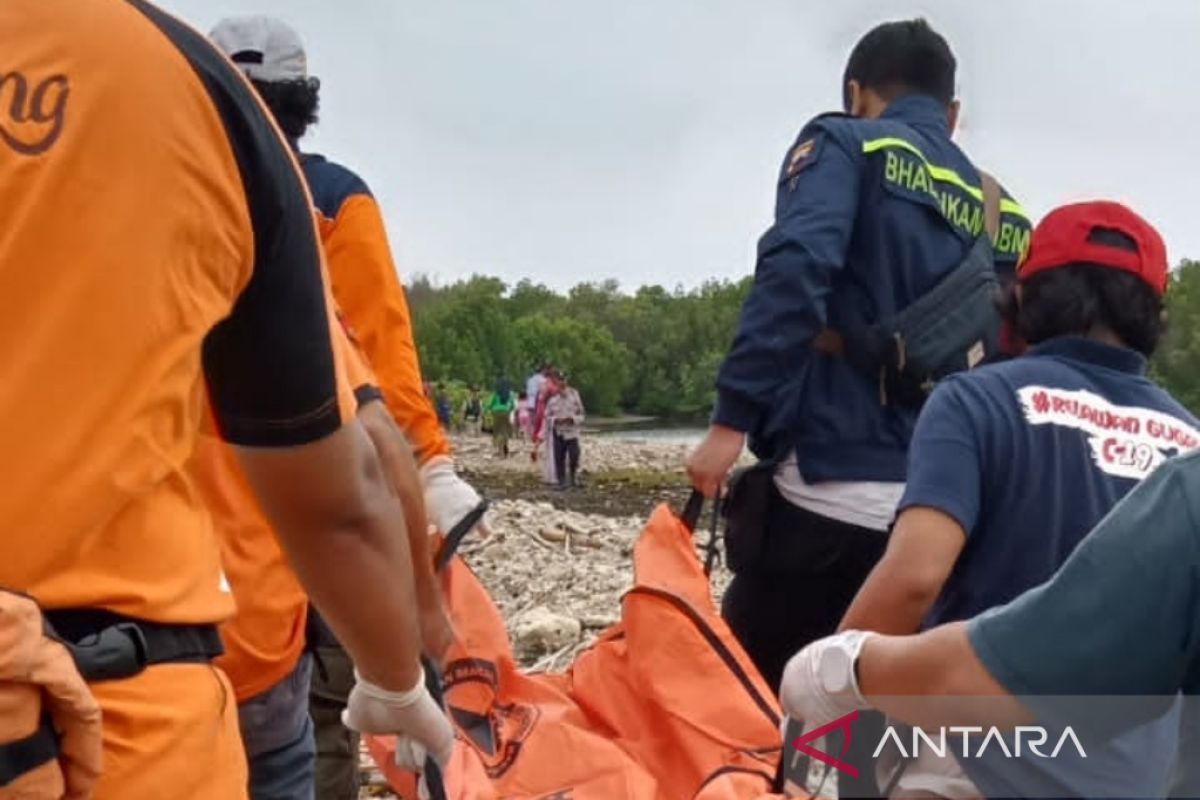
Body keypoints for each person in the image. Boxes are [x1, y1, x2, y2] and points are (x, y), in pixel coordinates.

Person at [1, 4, 453, 800]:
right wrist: (405, 666)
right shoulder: (206, 113)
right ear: (301, 101)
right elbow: (364, 441)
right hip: (143, 697)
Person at [685, 19, 1032, 701]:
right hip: (938, 529)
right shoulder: (1006, 214)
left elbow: (795, 273)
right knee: (872, 727)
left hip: (825, 492)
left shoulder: (844, 143)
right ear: (952, 113)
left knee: (757, 712)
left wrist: (730, 423)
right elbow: (1013, 359)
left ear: (855, 91)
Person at [209, 17, 487, 799]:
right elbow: (379, 360)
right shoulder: (327, 199)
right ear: (305, 101)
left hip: (177, 567)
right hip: (316, 499)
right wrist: (429, 466)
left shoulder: (160, 197)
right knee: (325, 714)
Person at [832, 201, 1192, 798]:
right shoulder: (1193, 444)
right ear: (1151, 312)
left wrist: (827, 686)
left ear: (1022, 297)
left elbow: (915, 578)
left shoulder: (974, 401)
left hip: (982, 766)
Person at [779, 449, 1200, 800]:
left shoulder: (973, 398)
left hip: (984, 753)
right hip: (1139, 774)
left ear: (1007, 342)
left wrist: (840, 670)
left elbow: (916, 581)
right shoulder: (1183, 430)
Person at [546, 374, 587, 490]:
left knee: (574, 455)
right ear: (556, 382)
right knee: (559, 458)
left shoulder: (574, 396)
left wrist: (572, 419)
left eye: (563, 380)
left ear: (566, 381)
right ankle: (562, 481)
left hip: (572, 431)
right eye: (559, 380)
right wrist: (556, 420)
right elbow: (547, 417)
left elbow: (582, 414)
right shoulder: (552, 400)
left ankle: (573, 478)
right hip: (558, 432)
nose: (561, 383)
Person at [534, 372, 562, 485]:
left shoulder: (546, 387)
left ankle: (553, 477)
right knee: (555, 455)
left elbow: (543, 428)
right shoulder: (552, 396)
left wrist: (535, 447)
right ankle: (556, 477)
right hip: (556, 432)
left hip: (554, 431)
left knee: (552, 455)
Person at [487, 379, 516, 458]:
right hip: (505, 412)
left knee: (498, 432)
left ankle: (500, 451)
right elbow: (513, 406)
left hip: (496, 413)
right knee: (505, 432)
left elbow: (490, 405)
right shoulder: (509, 394)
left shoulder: (495, 394)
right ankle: (505, 446)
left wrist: (489, 410)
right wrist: (509, 410)